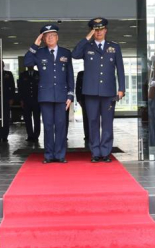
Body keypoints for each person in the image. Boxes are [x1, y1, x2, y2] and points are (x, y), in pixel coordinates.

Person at [72, 18, 125, 163]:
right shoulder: (87, 46)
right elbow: (74, 54)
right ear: (92, 31)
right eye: (96, 29)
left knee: (107, 123)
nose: (99, 32)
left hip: (109, 92)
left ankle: (106, 152)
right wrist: (86, 38)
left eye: (101, 29)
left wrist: (121, 88)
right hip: (90, 92)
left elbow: (120, 69)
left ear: (106, 30)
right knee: (93, 122)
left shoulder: (114, 47)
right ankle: (95, 152)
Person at [24, 24, 74, 163]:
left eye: (52, 35)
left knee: (60, 126)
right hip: (45, 96)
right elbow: (27, 61)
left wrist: (70, 95)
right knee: (47, 126)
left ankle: (60, 155)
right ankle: (49, 155)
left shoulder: (66, 53)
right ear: (43, 39)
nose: (50, 38)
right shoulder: (39, 53)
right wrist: (35, 44)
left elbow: (70, 75)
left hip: (61, 96)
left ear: (57, 37)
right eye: (47, 36)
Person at [18, 66, 41, 142]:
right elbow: (20, 88)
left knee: (37, 118)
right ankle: (30, 135)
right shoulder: (23, 75)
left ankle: (36, 135)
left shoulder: (38, 73)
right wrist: (21, 100)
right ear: (27, 65)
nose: (30, 65)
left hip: (36, 100)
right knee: (27, 119)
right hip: (26, 100)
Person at [75, 71, 89, 141]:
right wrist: (78, 99)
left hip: (94, 97)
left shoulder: (96, 72)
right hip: (84, 98)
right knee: (86, 117)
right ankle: (87, 135)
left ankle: (94, 135)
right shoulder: (81, 74)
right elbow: (77, 87)